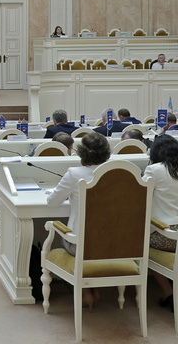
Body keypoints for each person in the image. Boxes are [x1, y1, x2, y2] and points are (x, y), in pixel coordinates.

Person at [46, 132, 112, 311]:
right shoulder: (115, 173)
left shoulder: (74, 174)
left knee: (81, 241)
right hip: (111, 244)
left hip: (80, 244)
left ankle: (86, 293)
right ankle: (93, 289)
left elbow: (52, 203)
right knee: (94, 242)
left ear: (81, 152)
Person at [141, 134, 178, 311]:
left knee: (143, 246)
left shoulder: (154, 170)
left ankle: (168, 293)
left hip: (168, 237)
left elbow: (140, 195)